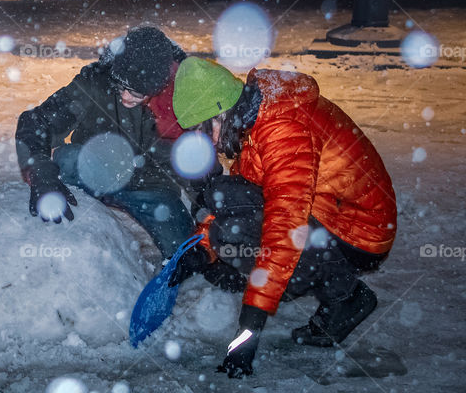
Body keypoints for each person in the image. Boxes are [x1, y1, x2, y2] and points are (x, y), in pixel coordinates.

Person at [166, 57, 397, 377]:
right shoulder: (251, 114)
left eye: (202, 130)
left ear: (219, 115)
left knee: (237, 237)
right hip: (326, 208)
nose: (205, 142)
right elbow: (238, 195)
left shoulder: (284, 130)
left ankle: (346, 295)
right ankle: (319, 279)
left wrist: (248, 333)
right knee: (222, 198)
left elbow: (286, 229)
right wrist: (202, 248)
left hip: (358, 230)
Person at [15, 26, 194, 259]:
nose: (126, 97)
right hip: (95, 170)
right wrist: (38, 167)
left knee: (185, 252)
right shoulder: (96, 81)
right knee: (68, 158)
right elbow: (37, 121)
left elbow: (198, 164)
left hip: (152, 187)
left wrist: (210, 230)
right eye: (122, 87)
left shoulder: (181, 97)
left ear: (159, 87)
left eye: (137, 93)